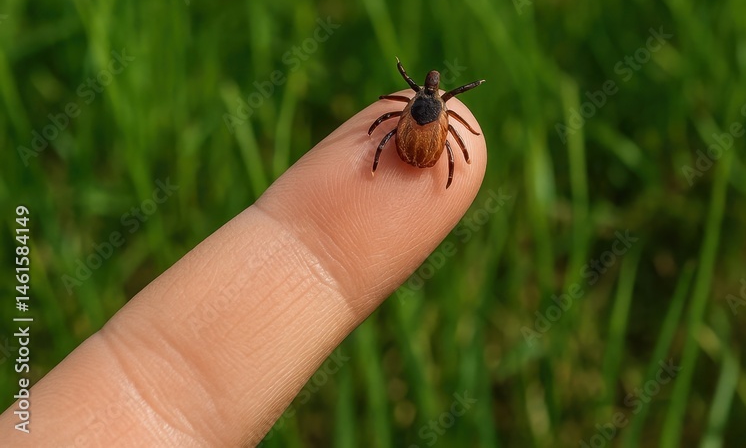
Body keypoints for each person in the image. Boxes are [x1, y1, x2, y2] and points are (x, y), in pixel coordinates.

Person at [0, 92, 486, 446]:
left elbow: (385, 123)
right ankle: (445, 169)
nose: (424, 100)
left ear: (414, 101)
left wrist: (393, 142)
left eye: (426, 97)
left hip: (405, 148)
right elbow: (408, 127)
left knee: (386, 138)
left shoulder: (400, 112)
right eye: (429, 97)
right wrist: (448, 156)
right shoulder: (436, 118)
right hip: (418, 155)